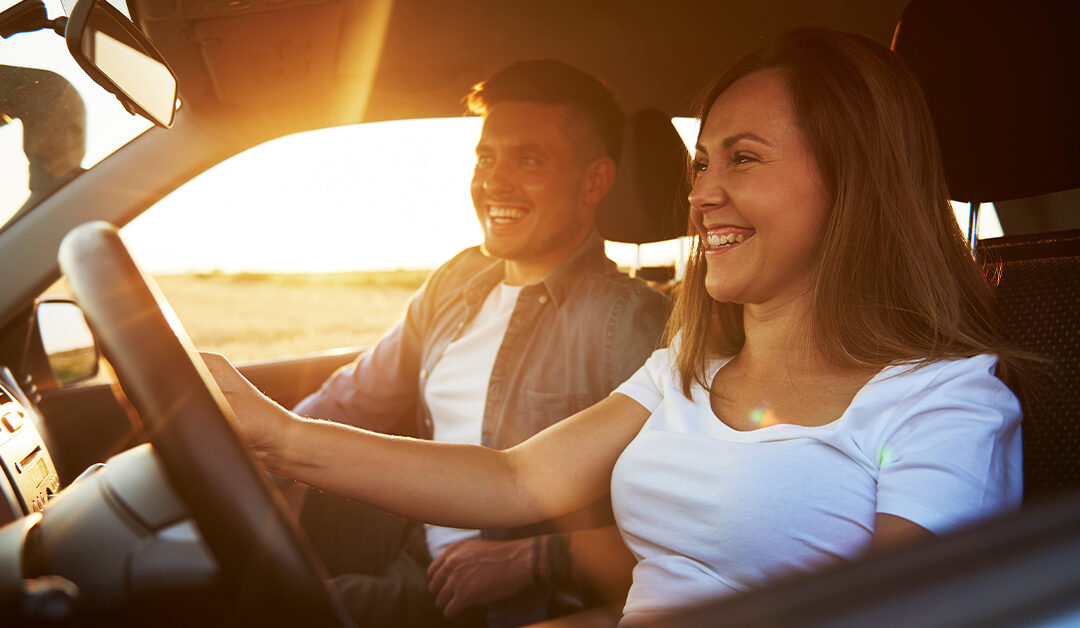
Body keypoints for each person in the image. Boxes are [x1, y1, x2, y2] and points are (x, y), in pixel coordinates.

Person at [204, 29, 1023, 625]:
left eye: (743, 159)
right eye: (702, 162)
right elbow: (519, 479)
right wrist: (277, 437)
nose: (700, 195)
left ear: (855, 183)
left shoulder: (942, 407)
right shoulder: (687, 366)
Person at [282, 60, 670, 626]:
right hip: (412, 541)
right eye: (486, 157)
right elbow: (353, 397)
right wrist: (270, 465)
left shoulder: (633, 323)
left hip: (495, 596)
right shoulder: (457, 280)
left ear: (594, 182)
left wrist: (535, 558)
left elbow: (680, 522)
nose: (494, 183)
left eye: (528, 159)